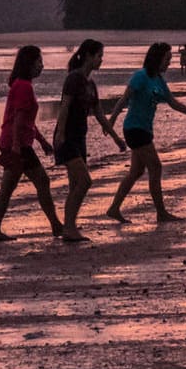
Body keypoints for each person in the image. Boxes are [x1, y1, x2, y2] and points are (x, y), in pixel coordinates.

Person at [104, 42, 186, 223]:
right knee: (155, 167)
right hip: (134, 129)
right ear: (157, 59)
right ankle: (161, 213)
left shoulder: (159, 80)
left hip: (145, 130)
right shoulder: (140, 76)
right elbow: (124, 99)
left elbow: (174, 103)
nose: (169, 63)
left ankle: (114, 208)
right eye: (167, 59)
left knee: (136, 171)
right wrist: (111, 120)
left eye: (170, 59)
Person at [51, 39, 125, 242]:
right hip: (67, 138)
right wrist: (60, 135)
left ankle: (69, 227)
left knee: (75, 184)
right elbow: (64, 107)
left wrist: (117, 139)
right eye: (99, 56)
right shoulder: (74, 79)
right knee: (85, 181)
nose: (102, 60)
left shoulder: (90, 84)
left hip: (80, 138)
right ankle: (69, 227)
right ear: (89, 56)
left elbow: (100, 114)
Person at [0, 45, 63, 245]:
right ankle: (56, 225)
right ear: (29, 64)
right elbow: (18, 119)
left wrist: (42, 141)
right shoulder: (23, 86)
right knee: (42, 181)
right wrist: (15, 147)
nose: (42, 66)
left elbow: (27, 121)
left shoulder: (22, 84)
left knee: (8, 188)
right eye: (38, 61)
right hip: (18, 145)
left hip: (17, 143)